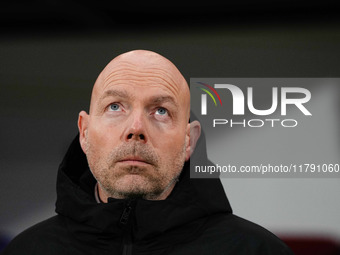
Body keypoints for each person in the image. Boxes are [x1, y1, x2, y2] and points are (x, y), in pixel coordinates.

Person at [2, 50, 294, 255]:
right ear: (85, 132)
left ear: (189, 141)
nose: (136, 128)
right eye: (115, 106)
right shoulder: (27, 250)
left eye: (161, 111)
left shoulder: (257, 251)